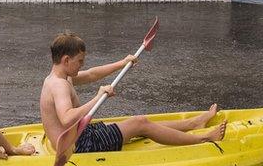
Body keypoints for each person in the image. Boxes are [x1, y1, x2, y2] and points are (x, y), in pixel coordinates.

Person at [39, 32, 225, 155]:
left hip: (81, 135)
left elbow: (92, 74)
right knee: (140, 123)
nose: (82, 65)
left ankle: (194, 123)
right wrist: (96, 98)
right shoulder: (59, 86)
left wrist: (122, 63)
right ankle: (205, 138)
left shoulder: (59, 77)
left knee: (135, 122)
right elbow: (66, 118)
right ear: (66, 59)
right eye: (79, 61)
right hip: (79, 146)